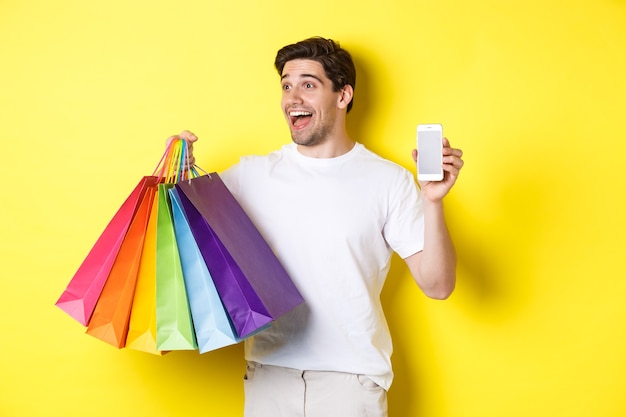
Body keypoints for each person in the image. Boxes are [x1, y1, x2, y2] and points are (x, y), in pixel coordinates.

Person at [170, 36, 464, 417]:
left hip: (352, 382)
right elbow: (184, 238)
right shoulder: (250, 176)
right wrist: (179, 173)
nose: (293, 98)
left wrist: (433, 201)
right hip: (270, 377)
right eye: (287, 86)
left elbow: (438, 285)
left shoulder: (388, 181)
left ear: (343, 96)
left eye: (308, 84)